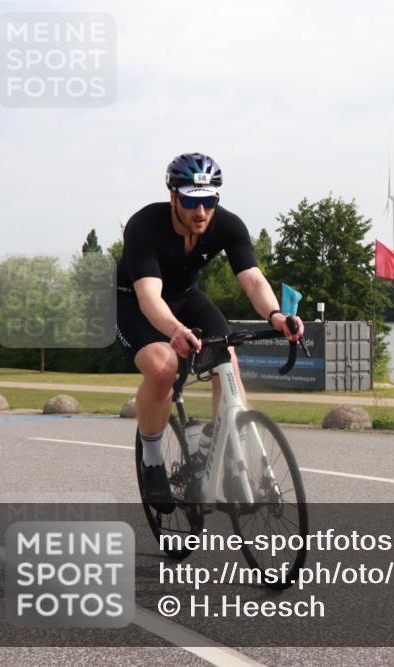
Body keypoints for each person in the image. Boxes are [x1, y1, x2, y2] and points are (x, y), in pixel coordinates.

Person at [116, 152, 303, 512]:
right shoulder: (144, 225)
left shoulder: (228, 225)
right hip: (137, 303)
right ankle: (152, 459)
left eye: (208, 201)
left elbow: (251, 278)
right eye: (190, 201)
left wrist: (276, 315)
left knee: (227, 359)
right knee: (162, 367)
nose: (200, 211)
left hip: (187, 299)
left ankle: (229, 457)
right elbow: (149, 295)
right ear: (173, 196)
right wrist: (175, 330)